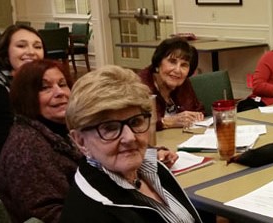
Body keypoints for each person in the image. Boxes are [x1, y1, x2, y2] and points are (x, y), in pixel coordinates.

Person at [61, 65, 201, 223]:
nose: (130, 138)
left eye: (135, 122)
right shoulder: (90, 212)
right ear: (80, 141)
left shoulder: (152, 168)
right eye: (110, 128)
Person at [0, 60, 81, 223]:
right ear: (26, 96)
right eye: (45, 87)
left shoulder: (64, 130)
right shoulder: (27, 147)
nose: (60, 92)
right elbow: (47, 215)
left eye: (62, 84)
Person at [0, 24, 45, 195]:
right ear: (6, 52)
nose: (31, 51)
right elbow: (10, 152)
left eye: (38, 46)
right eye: (21, 45)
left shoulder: (30, 86)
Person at [138, 37, 204, 130]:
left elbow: (197, 108)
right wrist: (167, 122)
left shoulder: (182, 81)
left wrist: (196, 116)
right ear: (158, 63)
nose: (177, 70)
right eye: (172, 62)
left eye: (184, 65)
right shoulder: (140, 85)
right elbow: (139, 122)